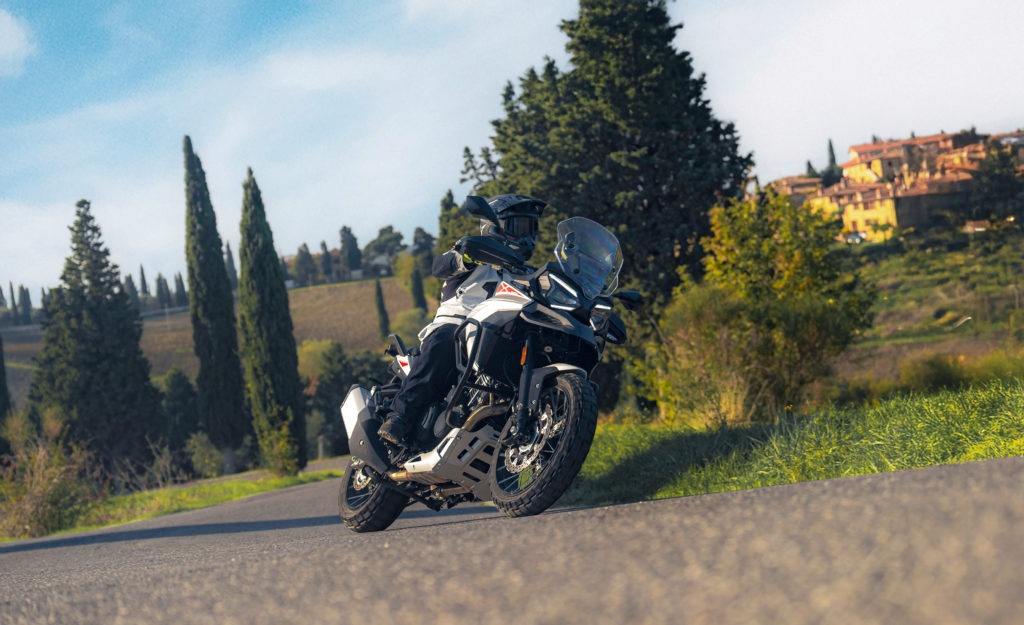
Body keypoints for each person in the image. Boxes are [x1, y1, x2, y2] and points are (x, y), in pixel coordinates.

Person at [377, 193, 546, 444]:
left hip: (501, 337)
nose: (527, 236)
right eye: (520, 226)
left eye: (531, 228)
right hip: (460, 324)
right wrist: (467, 255)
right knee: (446, 339)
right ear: (496, 226)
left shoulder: (530, 274)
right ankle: (399, 417)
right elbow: (440, 266)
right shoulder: (477, 254)